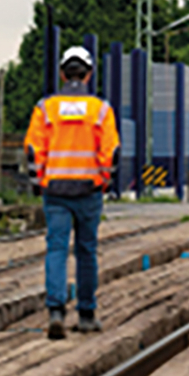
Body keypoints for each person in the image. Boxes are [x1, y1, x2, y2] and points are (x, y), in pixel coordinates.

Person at [25, 46, 120, 339]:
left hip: (55, 191)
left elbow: (33, 151)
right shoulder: (100, 110)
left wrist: (40, 180)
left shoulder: (45, 109)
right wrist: (104, 180)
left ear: (63, 74)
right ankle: (87, 314)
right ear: (89, 75)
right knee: (86, 250)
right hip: (89, 190)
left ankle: (56, 311)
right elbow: (111, 152)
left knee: (56, 249)